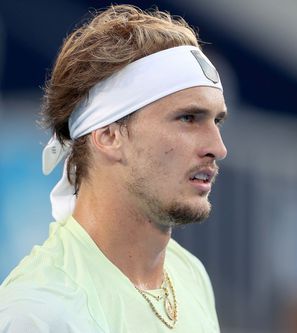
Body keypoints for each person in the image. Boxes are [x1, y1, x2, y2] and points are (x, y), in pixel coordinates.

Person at [0, 4, 227, 332]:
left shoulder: (189, 273)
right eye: (188, 118)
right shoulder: (38, 313)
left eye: (216, 120)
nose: (217, 148)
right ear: (108, 135)